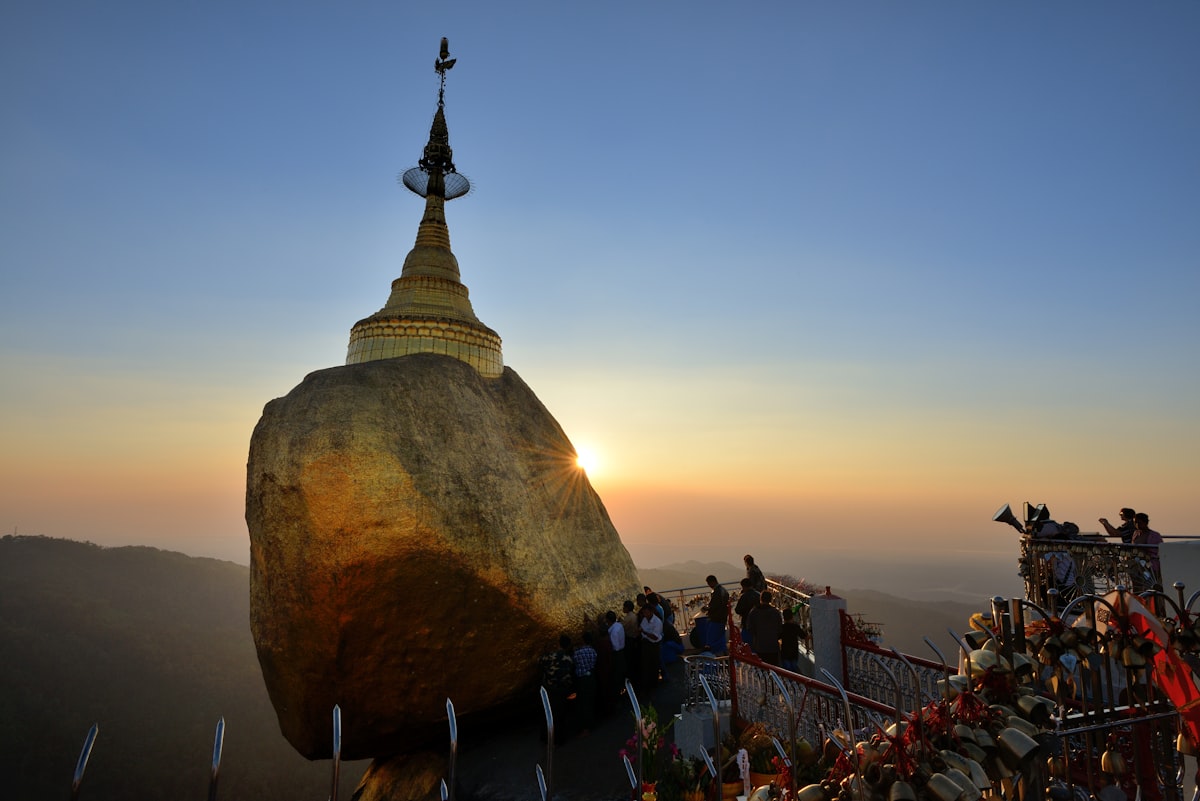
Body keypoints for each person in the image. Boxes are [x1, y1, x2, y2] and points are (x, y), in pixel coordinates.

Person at [538, 634, 575, 744]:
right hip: (562, 690)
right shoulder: (569, 659)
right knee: (560, 716)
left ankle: (546, 738)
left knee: (548, 714)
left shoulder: (549, 656)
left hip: (550, 689)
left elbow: (539, 662)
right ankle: (559, 739)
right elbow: (571, 674)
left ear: (559, 644)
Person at [746, 590, 783, 665]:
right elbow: (780, 629)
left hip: (759, 646)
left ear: (760, 599)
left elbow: (749, 628)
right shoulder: (775, 612)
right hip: (773, 646)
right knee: (774, 669)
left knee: (762, 669)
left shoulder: (754, 612)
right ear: (770, 599)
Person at [573, 630, 598, 733]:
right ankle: (591, 723)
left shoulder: (577, 653)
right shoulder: (593, 651)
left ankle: (586, 727)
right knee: (590, 701)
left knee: (584, 704)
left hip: (582, 679)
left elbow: (573, 662)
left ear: (583, 640)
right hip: (591, 677)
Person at [1131, 512, 1163, 589]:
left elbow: (1157, 551)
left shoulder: (1154, 535)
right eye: (1135, 523)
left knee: (1149, 585)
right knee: (1137, 585)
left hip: (1150, 565)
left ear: (1145, 522)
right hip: (1138, 565)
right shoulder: (1136, 533)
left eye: (1139, 523)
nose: (1137, 525)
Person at [638, 603, 663, 691]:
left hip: (654, 644)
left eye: (646, 613)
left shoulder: (657, 622)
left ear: (651, 612)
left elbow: (655, 636)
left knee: (654, 664)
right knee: (646, 664)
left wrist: (644, 632)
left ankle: (654, 684)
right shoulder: (645, 619)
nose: (645, 615)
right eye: (644, 613)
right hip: (646, 643)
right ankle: (648, 684)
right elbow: (641, 628)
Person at [705, 574, 730, 653]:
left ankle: (716, 653)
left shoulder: (717, 592)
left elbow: (714, 606)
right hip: (722, 617)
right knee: (720, 637)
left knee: (713, 637)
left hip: (717, 618)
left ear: (712, 582)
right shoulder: (723, 590)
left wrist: (708, 609)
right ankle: (723, 652)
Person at [605, 609, 626, 703]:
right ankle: (622, 690)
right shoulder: (619, 625)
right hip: (622, 651)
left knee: (617, 674)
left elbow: (615, 646)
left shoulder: (613, 632)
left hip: (617, 654)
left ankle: (618, 695)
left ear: (608, 621)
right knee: (620, 672)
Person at [780, 607, 804, 672]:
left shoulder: (782, 627)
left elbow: (778, 637)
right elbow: (803, 636)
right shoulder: (795, 627)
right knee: (794, 669)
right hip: (794, 652)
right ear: (792, 617)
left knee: (787, 671)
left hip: (785, 652)